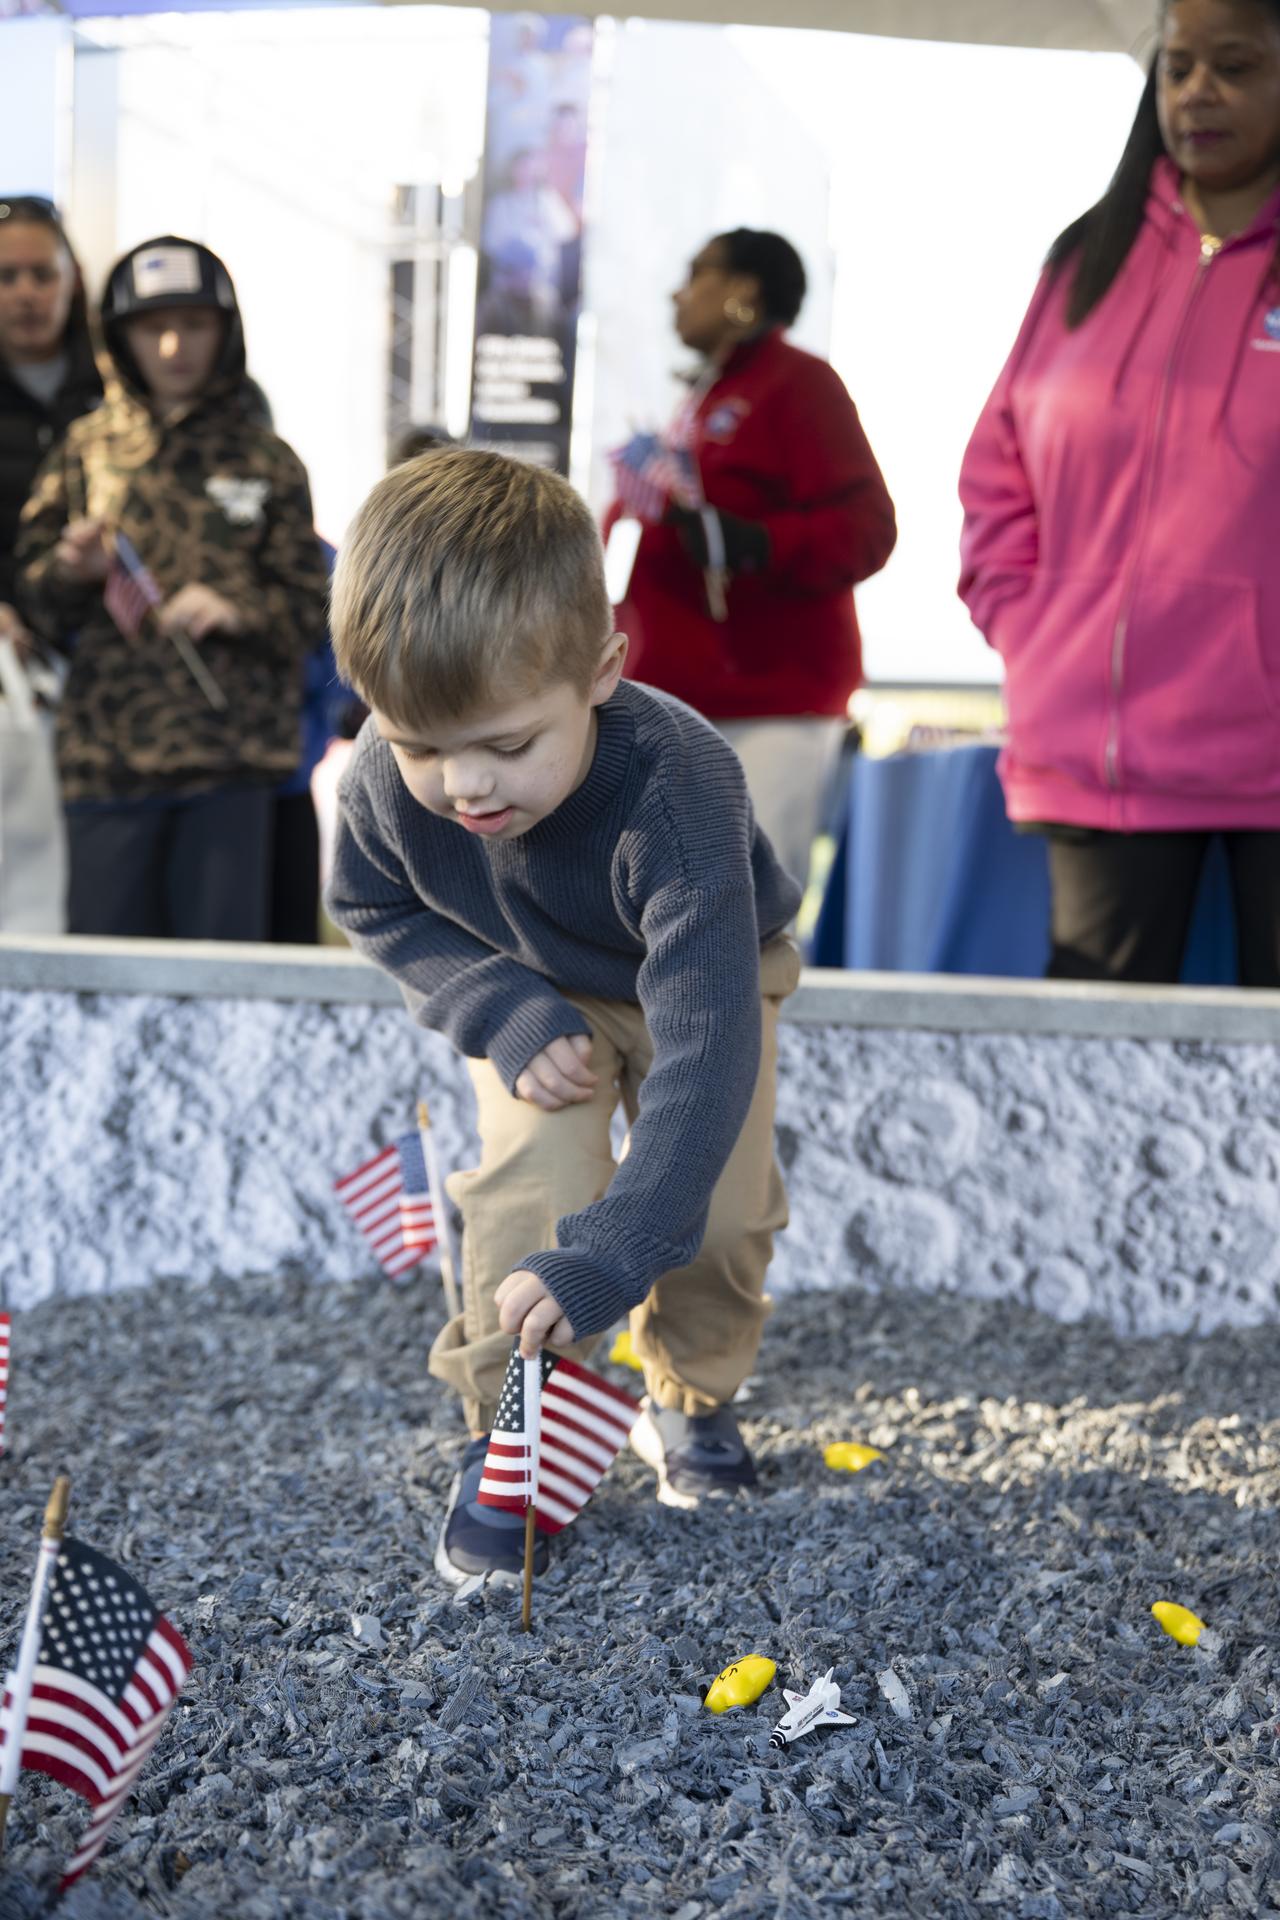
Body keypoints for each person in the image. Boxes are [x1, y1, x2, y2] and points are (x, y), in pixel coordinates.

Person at [325, 447, 802, 1587]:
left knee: (720, 1210)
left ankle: (687, 1399)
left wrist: (616, 1255)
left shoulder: (676, 785)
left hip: (704, 980)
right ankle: (517, 1425)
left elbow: (701, 1051)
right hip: (531, 985)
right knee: (532, 1177)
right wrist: (498, 1006)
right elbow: (373, 905)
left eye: (504, 744)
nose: (465, 786)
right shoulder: (381, 783)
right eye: (423, 746)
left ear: (601, 669)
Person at [959, 0, 1280, 986]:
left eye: (1232, 65)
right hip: (1098, 761)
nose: (1196, 92)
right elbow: (996, 463)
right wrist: (1031, 623)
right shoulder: (1081, 256)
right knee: (1088, 1089)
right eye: (1177, 67)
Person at [16, 236, 328, 940]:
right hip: (107, 766)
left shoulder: (270, 463)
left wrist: (238, 611)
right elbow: (33, 591)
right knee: (105, 990)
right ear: (118, 338)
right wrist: (70, 570)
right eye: (152, 327)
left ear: (226, 328)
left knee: (222, 993)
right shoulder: (84, 449)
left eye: (192, 324)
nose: (171, 347)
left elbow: (313, 612)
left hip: (232, 769)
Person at [607, 228, 897, 890]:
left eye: (696, 272)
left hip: (770, 700)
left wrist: (754, 544)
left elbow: (868, 528)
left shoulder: (799, 384)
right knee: (658, 906)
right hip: (679, 698)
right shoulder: (700, 397)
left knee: (747, 912)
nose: (677, 292)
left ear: (743, 290)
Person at [0, 196, 102, 663]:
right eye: (6, 276)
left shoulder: (123, 389)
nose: (26, 294)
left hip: (109, 659)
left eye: (42, 275)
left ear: (72, 278)